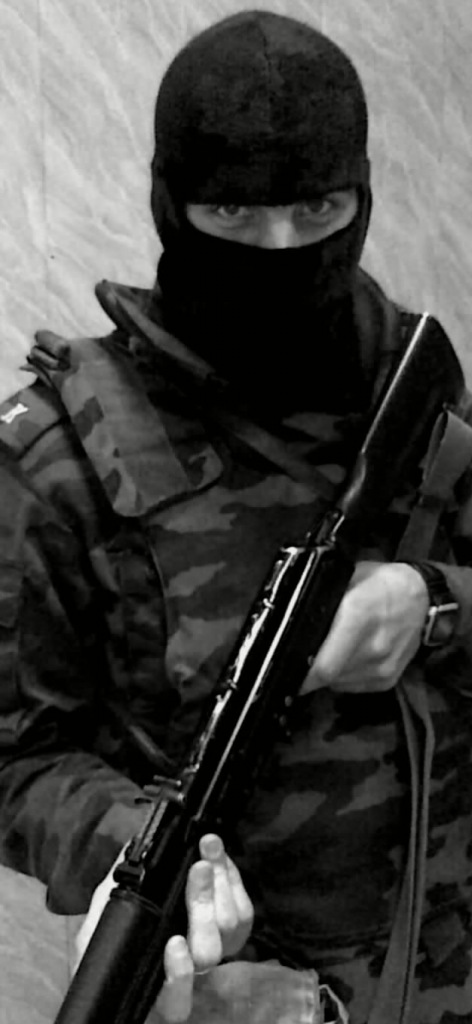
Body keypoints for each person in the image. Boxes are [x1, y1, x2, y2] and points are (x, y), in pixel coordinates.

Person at [1, 9, 472, 1023]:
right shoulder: (62, 452)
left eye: (318, 209)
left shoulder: (415, 397)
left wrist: (430, 602)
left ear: (360, 197)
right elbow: (16, 756)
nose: (281, 247)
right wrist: (137, 851)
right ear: (170, 204)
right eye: (232, 213)